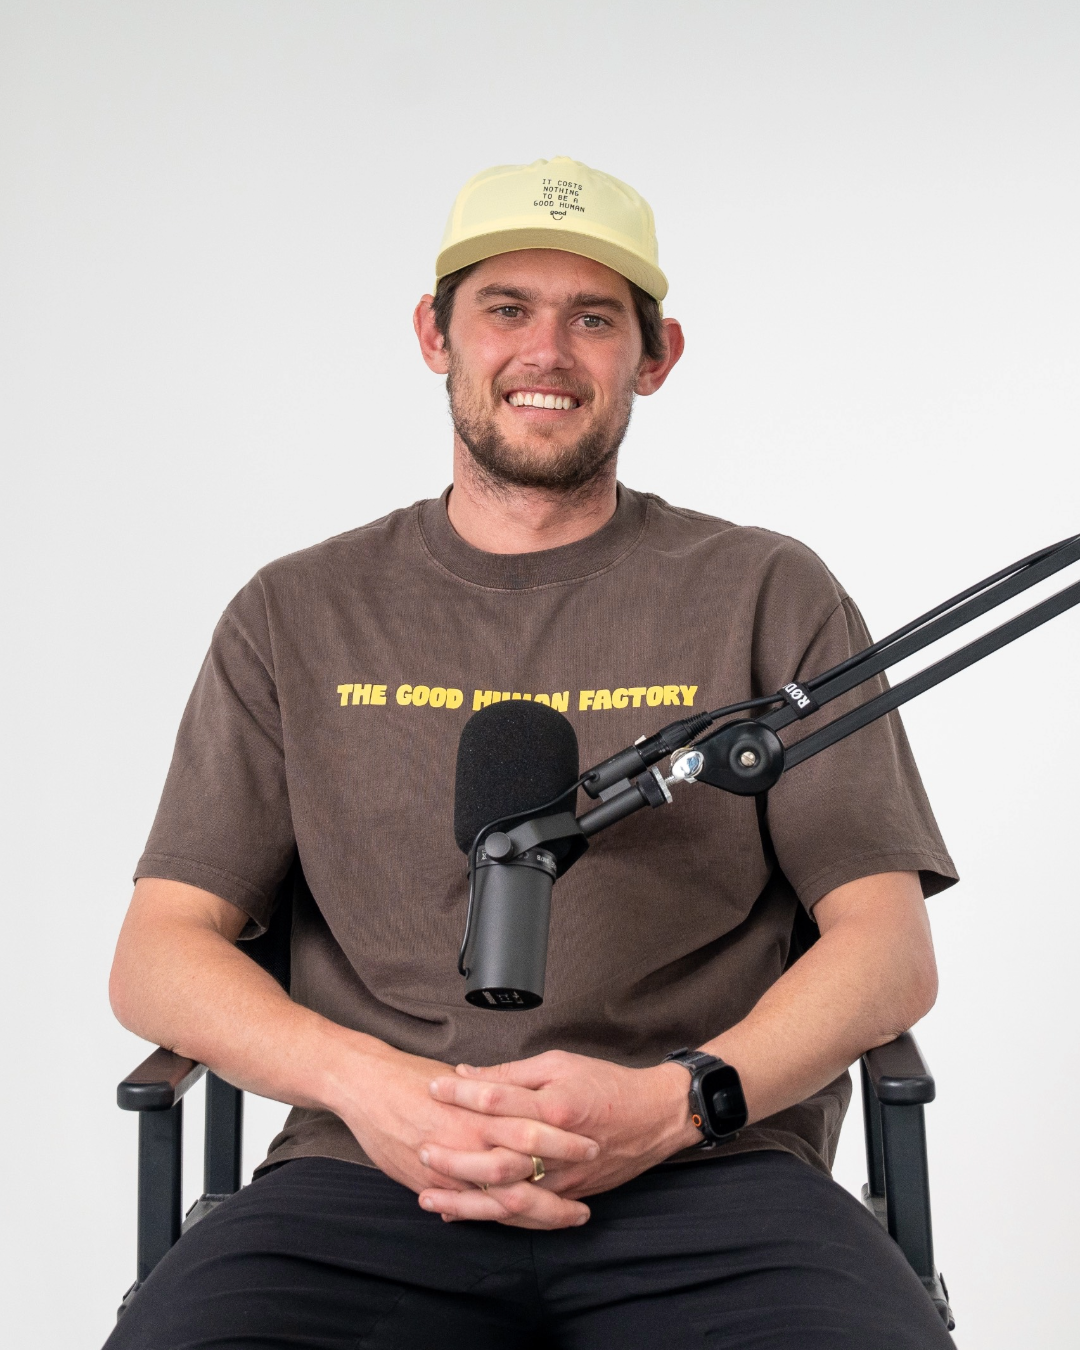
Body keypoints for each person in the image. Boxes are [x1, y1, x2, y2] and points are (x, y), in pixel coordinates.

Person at [106, 157, 958, 1349]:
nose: (546, 351)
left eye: (593, 318)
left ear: (655, 357)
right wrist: (370, 1089)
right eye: (506, 308)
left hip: (711, 1172)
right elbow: (159, 955)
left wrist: (673, 1104)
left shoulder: (768, 593)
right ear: (434, 334)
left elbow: (886, 950)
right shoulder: (297, 613)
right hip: (367, 1174)